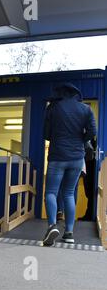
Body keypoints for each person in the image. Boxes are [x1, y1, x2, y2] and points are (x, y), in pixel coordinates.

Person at [42, 82, 97, 246]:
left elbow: (45, 133)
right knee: (68, 193)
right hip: (76, 158)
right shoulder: (86, 109)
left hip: (57, 156)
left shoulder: (53, 107)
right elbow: (93, 132)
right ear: (75, 94)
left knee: (51, 192)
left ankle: (52, 226)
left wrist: (58, 138)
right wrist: (80, 140)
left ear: (60, 93)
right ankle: (69, 232)